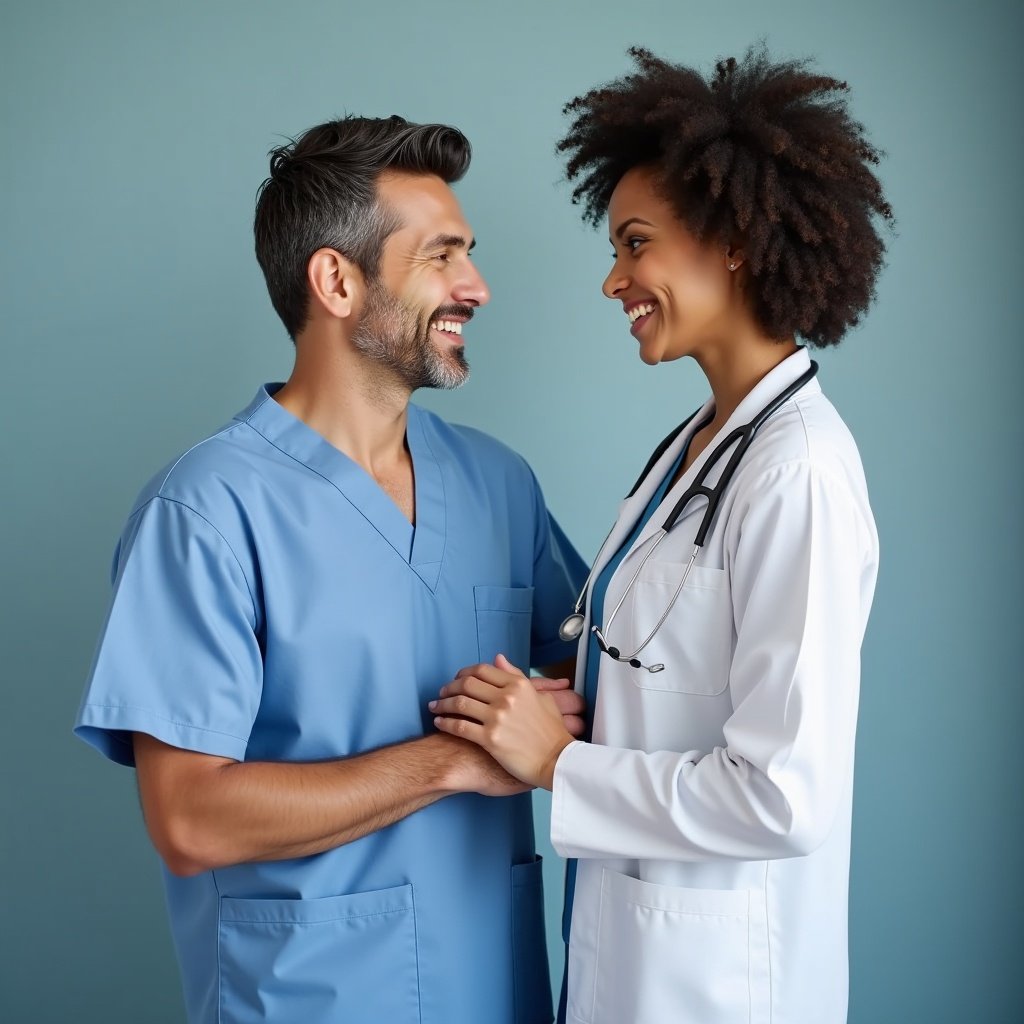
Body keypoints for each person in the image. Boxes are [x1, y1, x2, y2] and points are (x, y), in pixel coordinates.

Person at [74, 114, 587, 1024]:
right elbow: (190, 821)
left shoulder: (497, 485)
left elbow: (604, 678)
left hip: (496, 992)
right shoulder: (205, 513)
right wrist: (449, 763)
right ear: (337, 280)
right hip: (313, 999)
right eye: (441, 257)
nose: (477, 286)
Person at [430, 47, 892, 1024]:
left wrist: (557, 767)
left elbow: (782, 796)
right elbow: (659, 679)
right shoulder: (699, 442)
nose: (613, 280)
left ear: (727, 239)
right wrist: (568, 711)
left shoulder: (795, 471)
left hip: (724, 984)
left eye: (634, 243)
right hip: (638, 953)